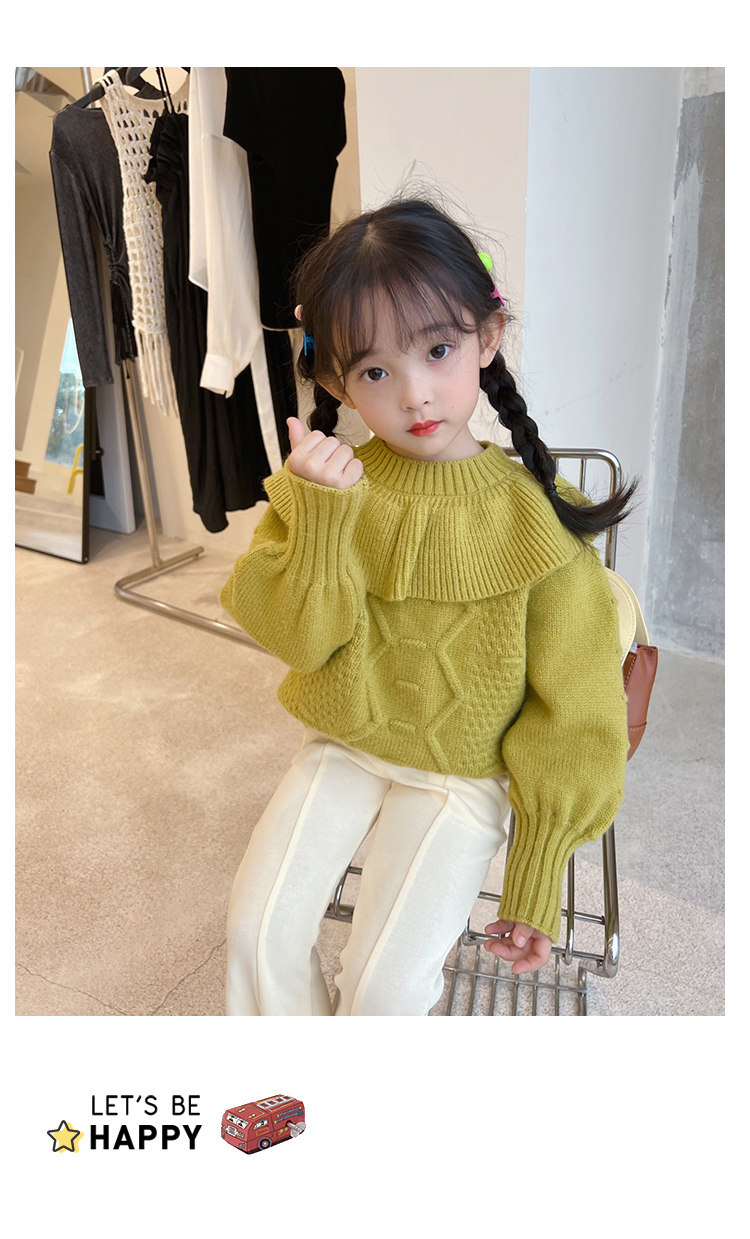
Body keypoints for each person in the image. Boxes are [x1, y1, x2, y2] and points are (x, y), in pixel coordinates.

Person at [221, 195, 633, 1016]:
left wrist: (536, 872)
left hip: (461, 774)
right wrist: (324, 516)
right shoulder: (328, 487)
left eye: (439, 350)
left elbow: (577, 710)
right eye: (375, 371)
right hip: (344, 741)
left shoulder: (540, 519)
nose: (415, 395)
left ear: (488, 336)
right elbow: (302, 642)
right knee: (253, 933)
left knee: (383, 987)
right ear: (335, 380)